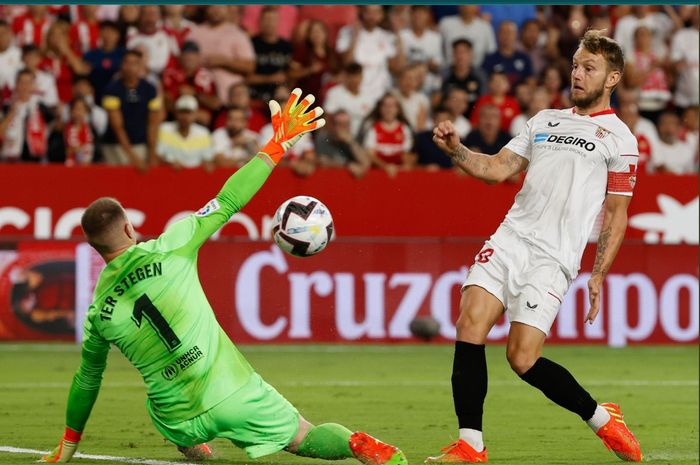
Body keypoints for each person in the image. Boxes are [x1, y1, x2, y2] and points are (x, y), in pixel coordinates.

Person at [40, 89, 406, 465]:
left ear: (94, 249)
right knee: (305, 436)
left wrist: (68, 446)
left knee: (155, 401)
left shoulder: (98, 312)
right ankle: (358, 446)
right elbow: (230, 199)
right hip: (234, 395)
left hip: (176, 414)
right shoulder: (172, 245)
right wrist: (277, 144)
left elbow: (87, 381)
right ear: (130, 229)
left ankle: (193, 446)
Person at [427, 30, 643, 463]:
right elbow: (496, 169)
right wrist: (457, 150)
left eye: (590, 67)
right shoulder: (544, 120)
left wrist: (598, 273)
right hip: (511, 238)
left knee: (522, 358)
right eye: (576, 65)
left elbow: (616, 213)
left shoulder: (621, 140)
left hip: (554, 257)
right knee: (470, 323)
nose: (578, 74)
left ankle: (601, 418)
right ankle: (470, 445)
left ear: (613, 77)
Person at [101, 49, 161, 169]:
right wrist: (132, 156)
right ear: (122, 65)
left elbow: (153, 123)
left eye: (134, 63)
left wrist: (153, 152)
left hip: (140, 144)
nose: (130, 67)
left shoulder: (150, 89)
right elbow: (117, 126)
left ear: (140, 66)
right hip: (115, 146)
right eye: (127, 63)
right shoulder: (112, 90)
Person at [156, 95, 214, 170]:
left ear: (195, 114)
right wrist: (169, 163)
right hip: (170, 176)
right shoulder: (164, 129)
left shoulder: (203, 133)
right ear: (176, 113)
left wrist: (207, 164)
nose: (184, 117)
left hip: (195, 177)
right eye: (182, 112)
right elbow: (157, 156)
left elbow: (208, 160)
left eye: (188, 112)